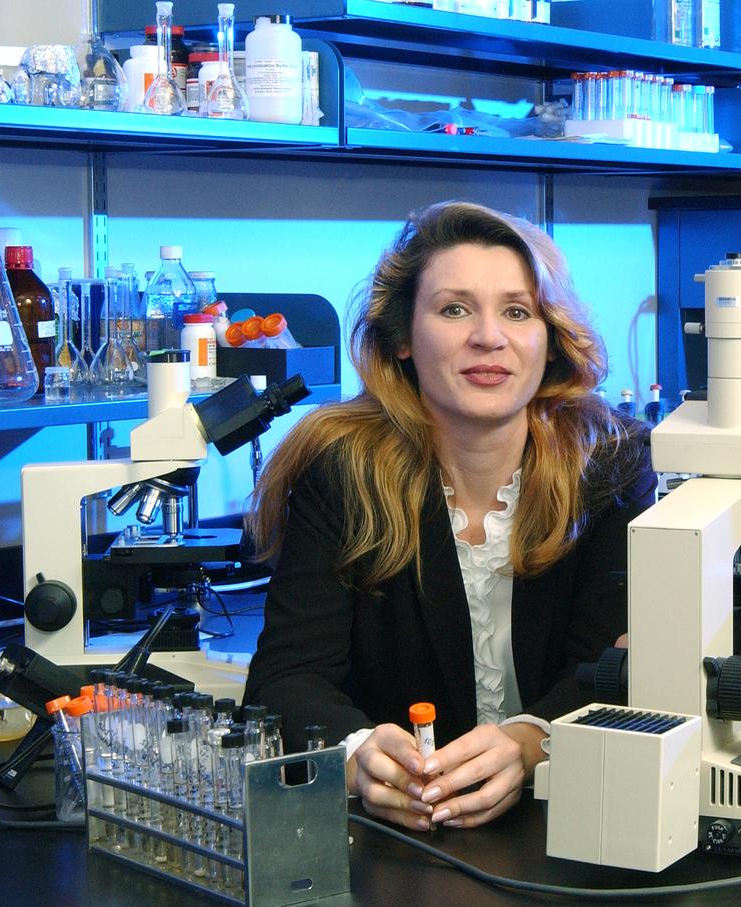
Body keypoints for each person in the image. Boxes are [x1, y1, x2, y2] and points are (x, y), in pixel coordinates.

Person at [243, 201, 655, 831]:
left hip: (577, 825)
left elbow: (617, 670)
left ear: (550, 340)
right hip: (400, 841)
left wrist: (528, 742)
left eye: (517, 311)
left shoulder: (609, 466)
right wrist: (358, 757)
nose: (488, 336)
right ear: (403, 338)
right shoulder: (343, 468)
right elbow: (286, 679)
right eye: (454, 308)